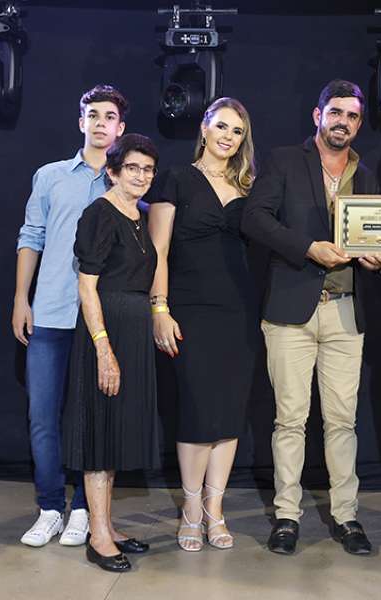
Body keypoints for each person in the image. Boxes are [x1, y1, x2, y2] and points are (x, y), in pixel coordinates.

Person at [241, 80, 381, 556]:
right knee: (290, 420)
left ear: (359, 124)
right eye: (336, 112)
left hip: (346, 312)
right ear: (318, 115)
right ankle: (287, 516)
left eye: (352, 116)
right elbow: (255, 219)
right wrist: (307, 247)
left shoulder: (367, 175)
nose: (343, 122)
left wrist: (376, 259)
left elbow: (374, 237)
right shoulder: (285, 160)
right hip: (290, 312)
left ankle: (346, 516)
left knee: (343, 422)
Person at [12, 85, 127, 548]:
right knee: (42, 417)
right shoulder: (51, 176)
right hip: (51, 312)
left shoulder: (125, 182)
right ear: (81, 122)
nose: (100, 123)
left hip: (101, 320)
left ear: (120, 127)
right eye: (93, 114)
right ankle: (49, 508)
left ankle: (83, 509)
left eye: (109, 116)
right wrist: (21, 298)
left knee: (92, 421)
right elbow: (32, 235)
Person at [148, 97, 258, 552]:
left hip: (240, 312)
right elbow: (157, 249)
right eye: (222, 126)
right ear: (205, 128)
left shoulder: (249, 187)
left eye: (237, 131)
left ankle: (216, 510)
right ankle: (190, 509)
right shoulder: (175, 178)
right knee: (196, 410)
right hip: (190, 309)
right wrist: (159, 307)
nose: (229, 137)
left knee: (229, 412)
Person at [61, 134, 161, 572]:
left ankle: (107, 524)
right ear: (114, 171)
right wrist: (103, 348)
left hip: (133, 330)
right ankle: (97, 536)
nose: (141, 176)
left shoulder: (141, 215)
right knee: (100, 433)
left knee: (116, 431)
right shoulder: (98, 214)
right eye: (133, 168)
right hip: (106, 332)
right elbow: (87, 287)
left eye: (148, 169)